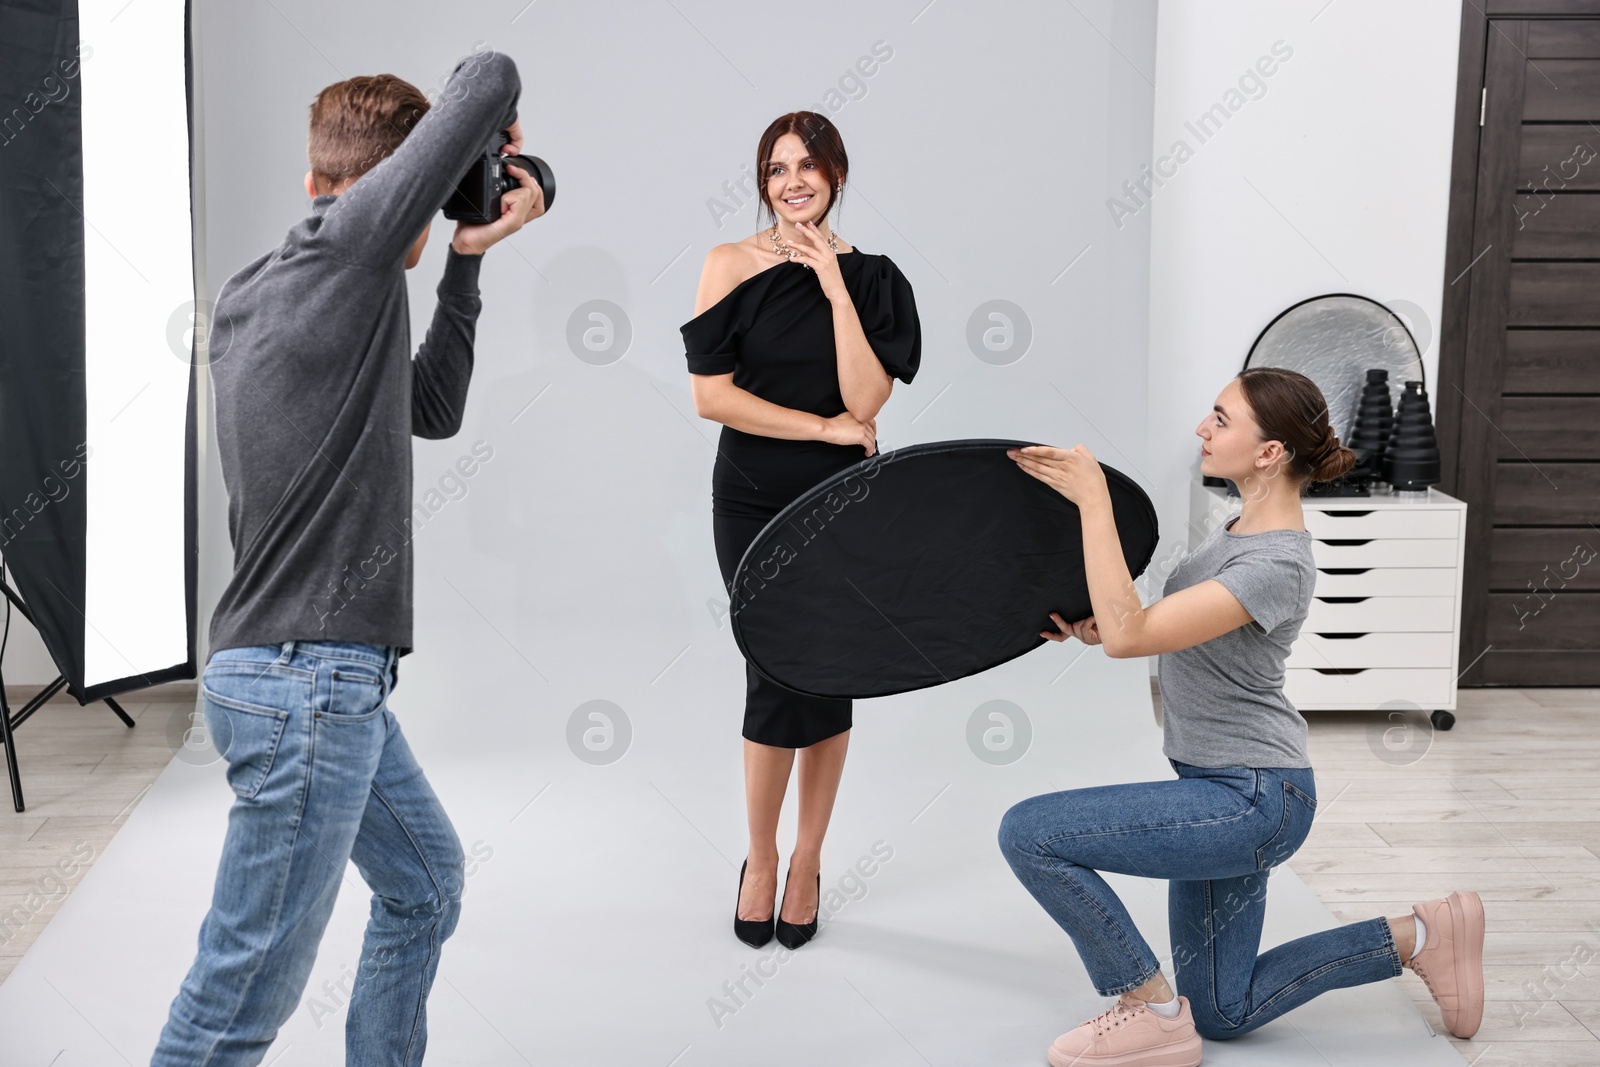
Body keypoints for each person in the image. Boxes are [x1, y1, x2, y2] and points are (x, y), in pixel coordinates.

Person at [152, 48, 541, 1065]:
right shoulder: (350, 255)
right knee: (231, 1009)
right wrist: (481, 150)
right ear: (385, 188)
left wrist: (468, 256)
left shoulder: (268, 290)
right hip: (307, 686)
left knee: (425, 884)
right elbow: (490, 70)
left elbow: (436, 408)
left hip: (299, 681)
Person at [998, 367, 1484, 1066]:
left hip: (1252, 798)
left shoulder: (1278, 561)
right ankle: (1422, 935)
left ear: (1270, 452)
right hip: (1222, 787)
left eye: (1221, 419)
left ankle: (1150, 1007)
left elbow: (1137, 633)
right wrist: (1102, 625)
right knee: (1227, 1008)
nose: (1202, 427)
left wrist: (1094, 502)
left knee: (1030, 834)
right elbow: (1153, 629)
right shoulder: (1231, 533)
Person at [681, 111, 920, 950]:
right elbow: (713, 396)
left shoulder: (877, 279)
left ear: (837, 176)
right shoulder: (727, 264)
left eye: (808, 167)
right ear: (762, 182)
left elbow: (866, 402)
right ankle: (758, 855)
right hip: (749, 496)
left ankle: (808, 859)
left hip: (842, 502)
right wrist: (817, 431)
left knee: (827, 674)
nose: (792, 182)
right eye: (776, 169)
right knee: (771, 667)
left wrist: (831, 285)